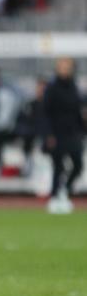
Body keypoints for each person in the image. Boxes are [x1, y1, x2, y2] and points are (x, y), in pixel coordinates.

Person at [44, 58, 84, 214]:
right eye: (62, 67)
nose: (65, 70)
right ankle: (54, 197)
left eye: (68, 67)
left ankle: (64, 191)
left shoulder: (75, 86)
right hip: (57, 133)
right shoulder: (52, 88)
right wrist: (48, 134)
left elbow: (78, 110)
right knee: (58, 167)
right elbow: (46, 113)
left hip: (74, 132)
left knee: (78, 165)